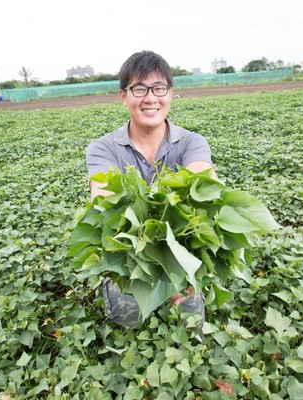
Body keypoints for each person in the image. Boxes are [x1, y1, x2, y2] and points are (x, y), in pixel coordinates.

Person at [86, 50, 217, 328]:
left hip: (182, 255)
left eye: (159, 88)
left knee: (190, 321)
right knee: (128, 320)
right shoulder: (104, 148)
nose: (150, 98)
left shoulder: (192, 143)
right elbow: (107, 210)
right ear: (123, 96)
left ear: (170, 92)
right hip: (127, 257)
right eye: (139, 89)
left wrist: (175, 273)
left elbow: (204, 195)